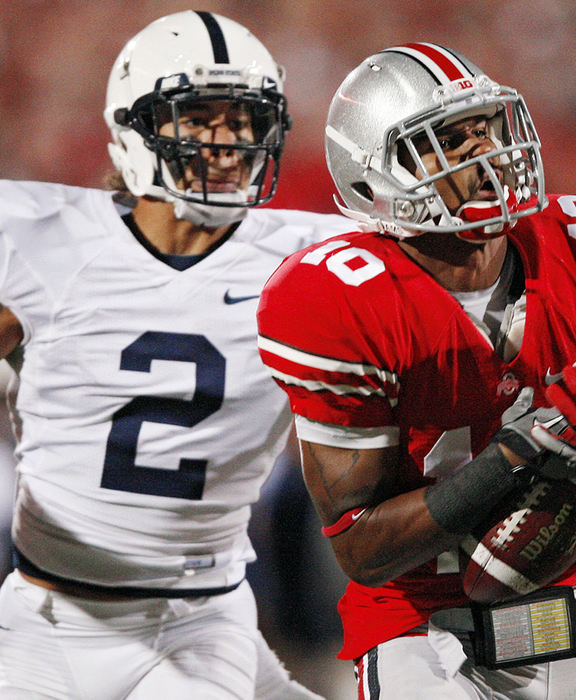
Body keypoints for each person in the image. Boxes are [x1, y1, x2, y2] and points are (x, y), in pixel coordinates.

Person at [256, 42, 576, 699]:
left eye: (488, 130)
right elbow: (360, 548)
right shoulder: (342, 297)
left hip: (560, 608)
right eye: (452, 142)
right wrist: (509, 463)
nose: (489, 157)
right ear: (375, 176)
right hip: (416, 629)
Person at [0, 11, 355, 698]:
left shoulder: (308, 258)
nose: (228, 143)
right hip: (45, 612)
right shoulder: (47, 240)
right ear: (136, 124)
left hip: (198, 620)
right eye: (202, 119)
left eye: (245, 121)